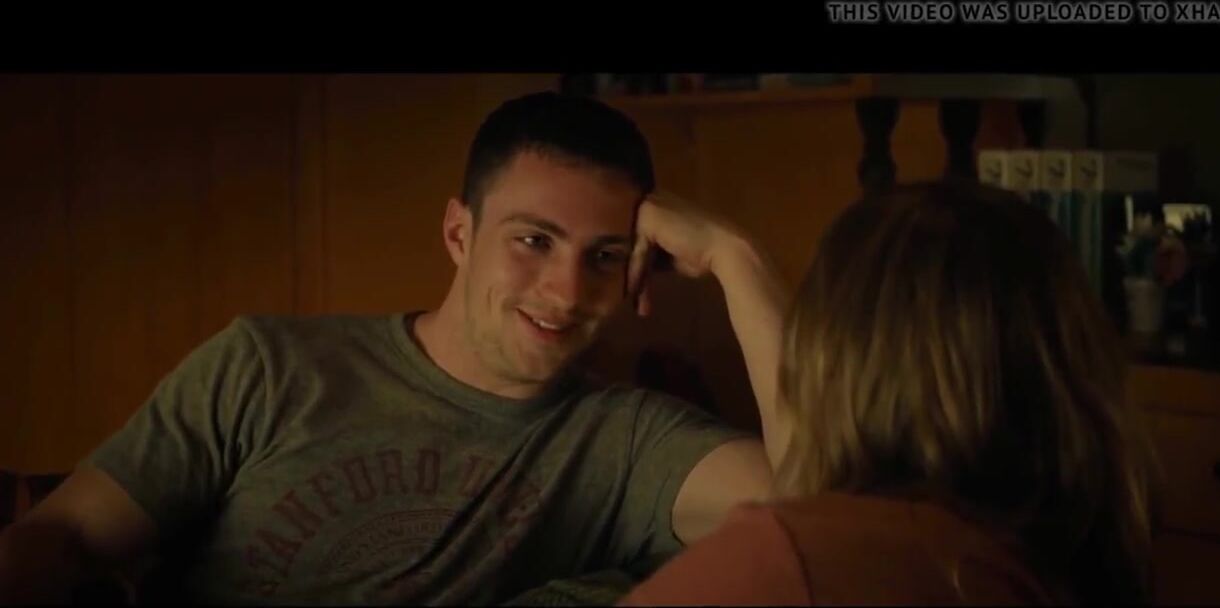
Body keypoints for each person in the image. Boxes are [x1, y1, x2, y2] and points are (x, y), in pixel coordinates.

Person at [0, 92, 792, 605]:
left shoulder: (630, 443)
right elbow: (61, 538)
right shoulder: (269, 366)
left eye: (605, 256)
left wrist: (737, 258)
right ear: (459, 234)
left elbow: (827, 507)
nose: (566, 291)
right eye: (533, 241)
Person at [621, 180, 1160, 605]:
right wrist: (733, 257)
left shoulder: (797, 560)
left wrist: (734, 256)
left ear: (828, 358)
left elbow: (817, 532)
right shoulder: (1037, 561)